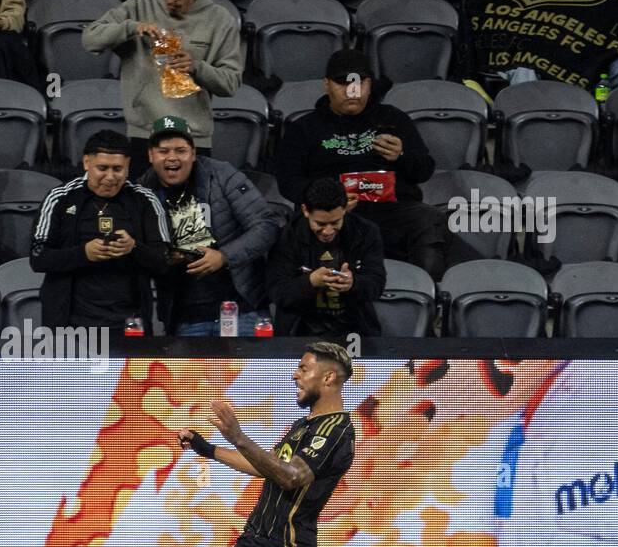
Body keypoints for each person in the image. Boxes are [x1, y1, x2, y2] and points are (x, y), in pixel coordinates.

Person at [180, 342, 357, 547]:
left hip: (287, 546)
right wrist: (208, 449)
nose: (295, 376)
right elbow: (263, 467)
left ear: (328, 378)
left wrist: (238, 436)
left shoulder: (337, 430)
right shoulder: (302, 426)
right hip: (251, 540)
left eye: (304, 369)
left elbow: (290, 478)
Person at [274, 49, 447, 281]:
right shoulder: (304, 128)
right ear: (326, 85)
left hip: (392, 210)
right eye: (342, 83)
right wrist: (330, 195)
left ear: (369, 85)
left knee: (430, 219)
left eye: (360, 83)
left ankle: (426, 293)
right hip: (333, 213)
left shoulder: (393, 119)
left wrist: (402, 156)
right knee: (300, 228)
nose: (352, 91)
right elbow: (289, 183)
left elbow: (424, 170)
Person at [82, 0, 243, 169]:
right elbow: (90, 39)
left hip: (193, 137)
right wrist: (131, 28)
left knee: (188, 205)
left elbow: (230, 83)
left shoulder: (221, 20)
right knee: (142, 203)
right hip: (144, 133)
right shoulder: (139, 6)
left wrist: (197, 67)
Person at [137, 115, 278, 336]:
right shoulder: (141, 192)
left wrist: (223, 257)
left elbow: (266, 225)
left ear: (193, 154)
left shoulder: (222, 175)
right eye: (163, 151)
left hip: (241, 310)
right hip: (184, 319)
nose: (172, 158)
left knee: (246, 372)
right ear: (150, 155)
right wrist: (165, 257)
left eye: (180, 150)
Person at [30, 130, 172, 331]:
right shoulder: (60, 197)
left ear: (128, 166)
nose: (110, 177)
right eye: (102, 168)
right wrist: (83, 253)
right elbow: (38, 257)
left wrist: (134, 248)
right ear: (87, 163)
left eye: (118, 169)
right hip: (69, 323)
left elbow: (164, 261)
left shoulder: (145, 200)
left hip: (129, 322)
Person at [267, 178, 386, 338]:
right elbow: (278, 293)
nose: (328, 231)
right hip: (299, 330)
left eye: (335, 222)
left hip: (354, 328)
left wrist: (353, 284)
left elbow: (376, 284)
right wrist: (310, 282)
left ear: (345, 209)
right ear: (305, 210)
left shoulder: (366, 232)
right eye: (320, 224)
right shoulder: (287, 236)